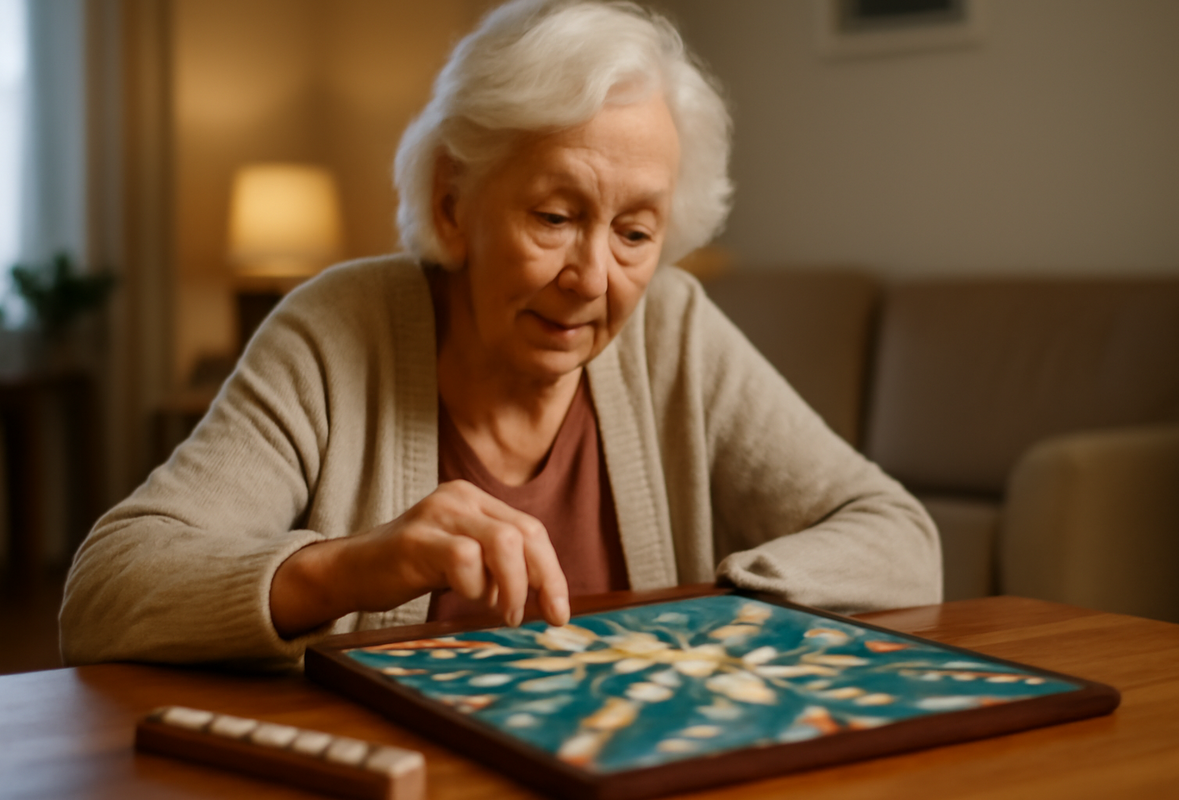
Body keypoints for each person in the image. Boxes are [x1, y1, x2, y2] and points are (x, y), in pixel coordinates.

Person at [60, 0, 940, 668]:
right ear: (453, 205)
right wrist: (349, 568)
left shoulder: (672, 329)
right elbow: (105, 592)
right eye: (555, 216)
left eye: (636, 233)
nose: (593, 277)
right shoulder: (336, 331)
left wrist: (721, 604)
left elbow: (901, 538)